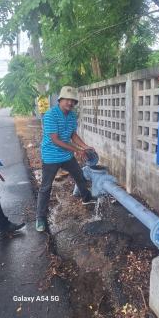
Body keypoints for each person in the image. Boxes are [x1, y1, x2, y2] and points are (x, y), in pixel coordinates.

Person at [36, 86, 97, 232]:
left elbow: (73, 135)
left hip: (66, 155)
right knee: (46, 187)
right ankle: (40, 217)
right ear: (60, 100)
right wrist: (77, 150)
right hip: (51, 156)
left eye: (73, 101)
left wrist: (85, 146)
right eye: (67, 100)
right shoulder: (50, 115)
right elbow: (55, 140)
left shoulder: (71, 116)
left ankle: (86, 197)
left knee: (80, 176)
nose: (70, 103)